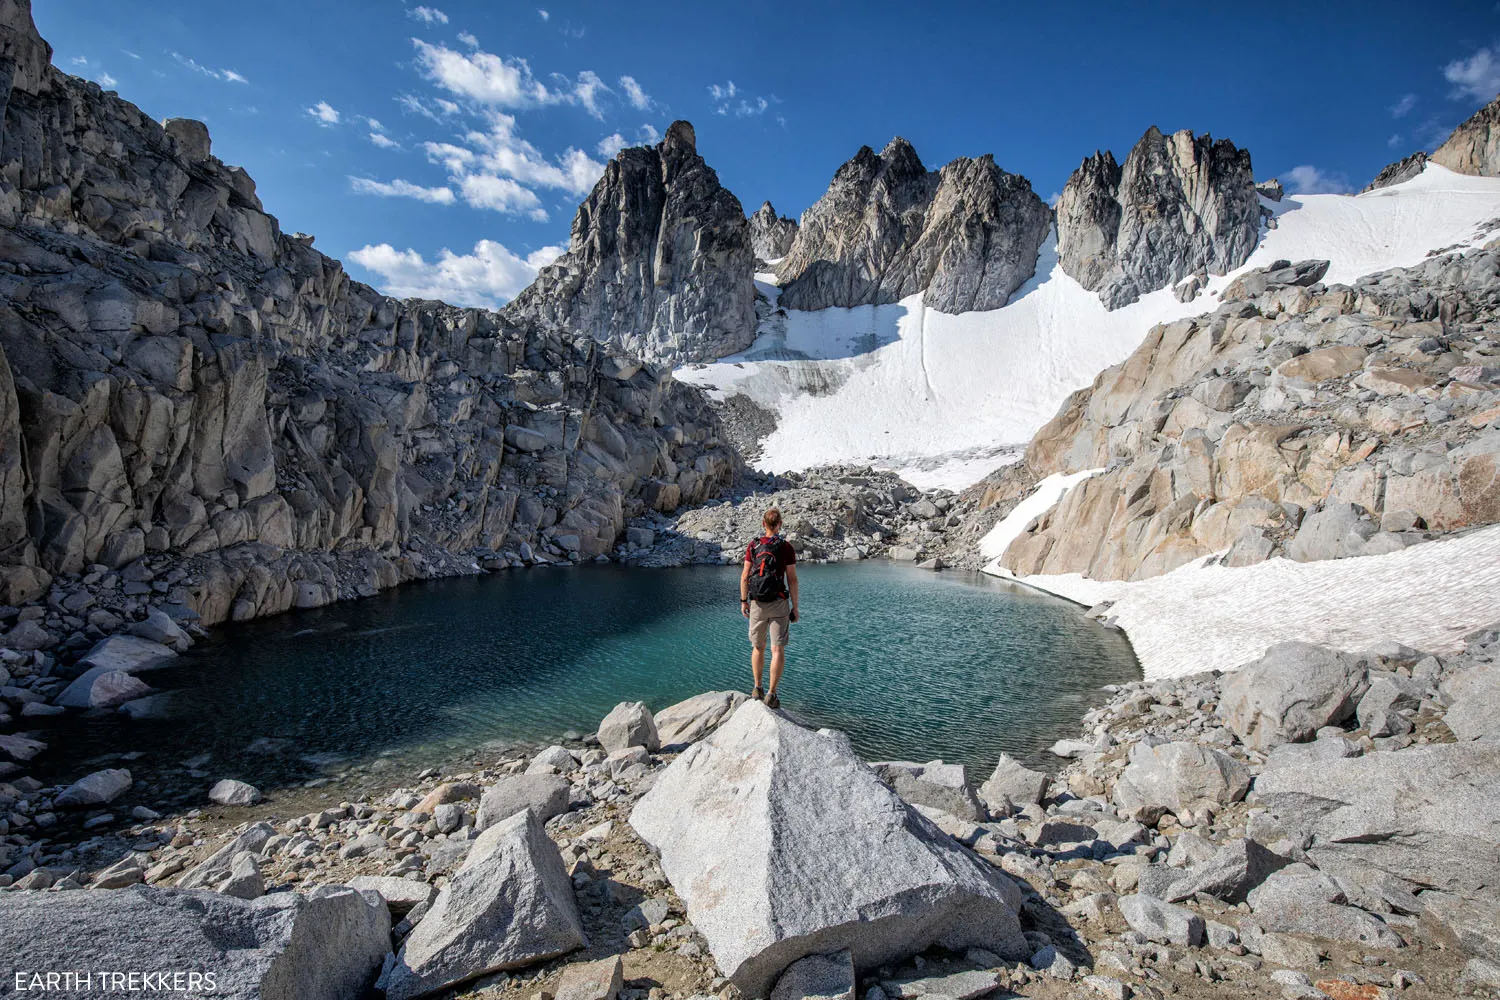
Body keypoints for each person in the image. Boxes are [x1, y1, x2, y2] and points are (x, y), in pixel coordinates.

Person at [740, 507, 799, 709]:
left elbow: (745, 576)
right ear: (780, 524)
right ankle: (772, 694)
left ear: (763, 524)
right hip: (779, 602)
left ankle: (757, 688)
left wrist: (743, 601)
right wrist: (795, 608)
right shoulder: (786, 547)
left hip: (757, 602)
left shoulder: (754, 545)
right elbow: (792, 579)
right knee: (777, 649)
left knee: (758, 646)